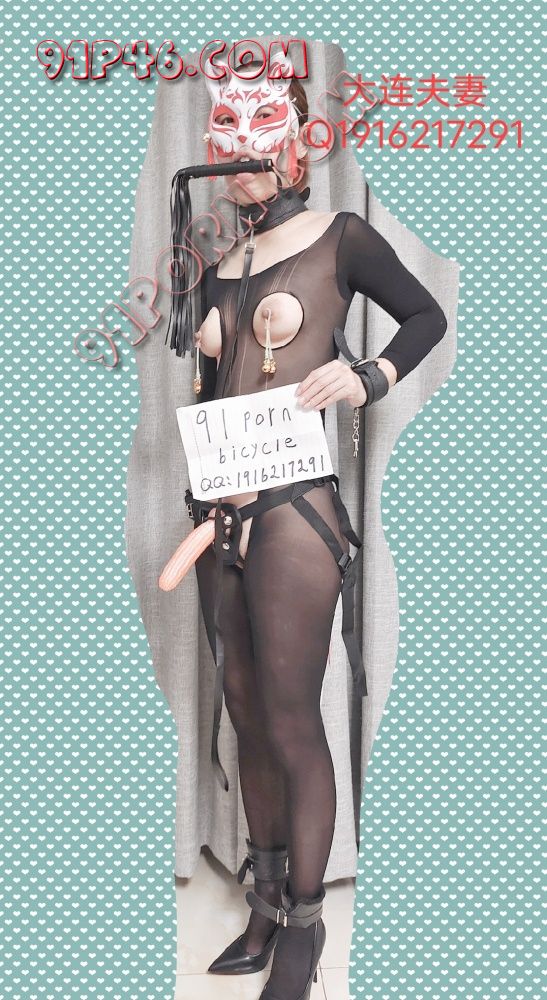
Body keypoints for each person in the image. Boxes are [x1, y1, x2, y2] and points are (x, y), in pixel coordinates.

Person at [166, 52, 447, 1000]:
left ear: (294, 145)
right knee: (246, 714)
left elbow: (423, 316)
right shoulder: (218, 263)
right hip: (220, 510)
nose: (241, 153)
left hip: (294, 512)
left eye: (260, 133)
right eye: (226, 134)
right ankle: (264, 902)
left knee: (290, 717)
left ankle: (305, 926)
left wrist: (367, 377)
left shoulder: (339, 237)